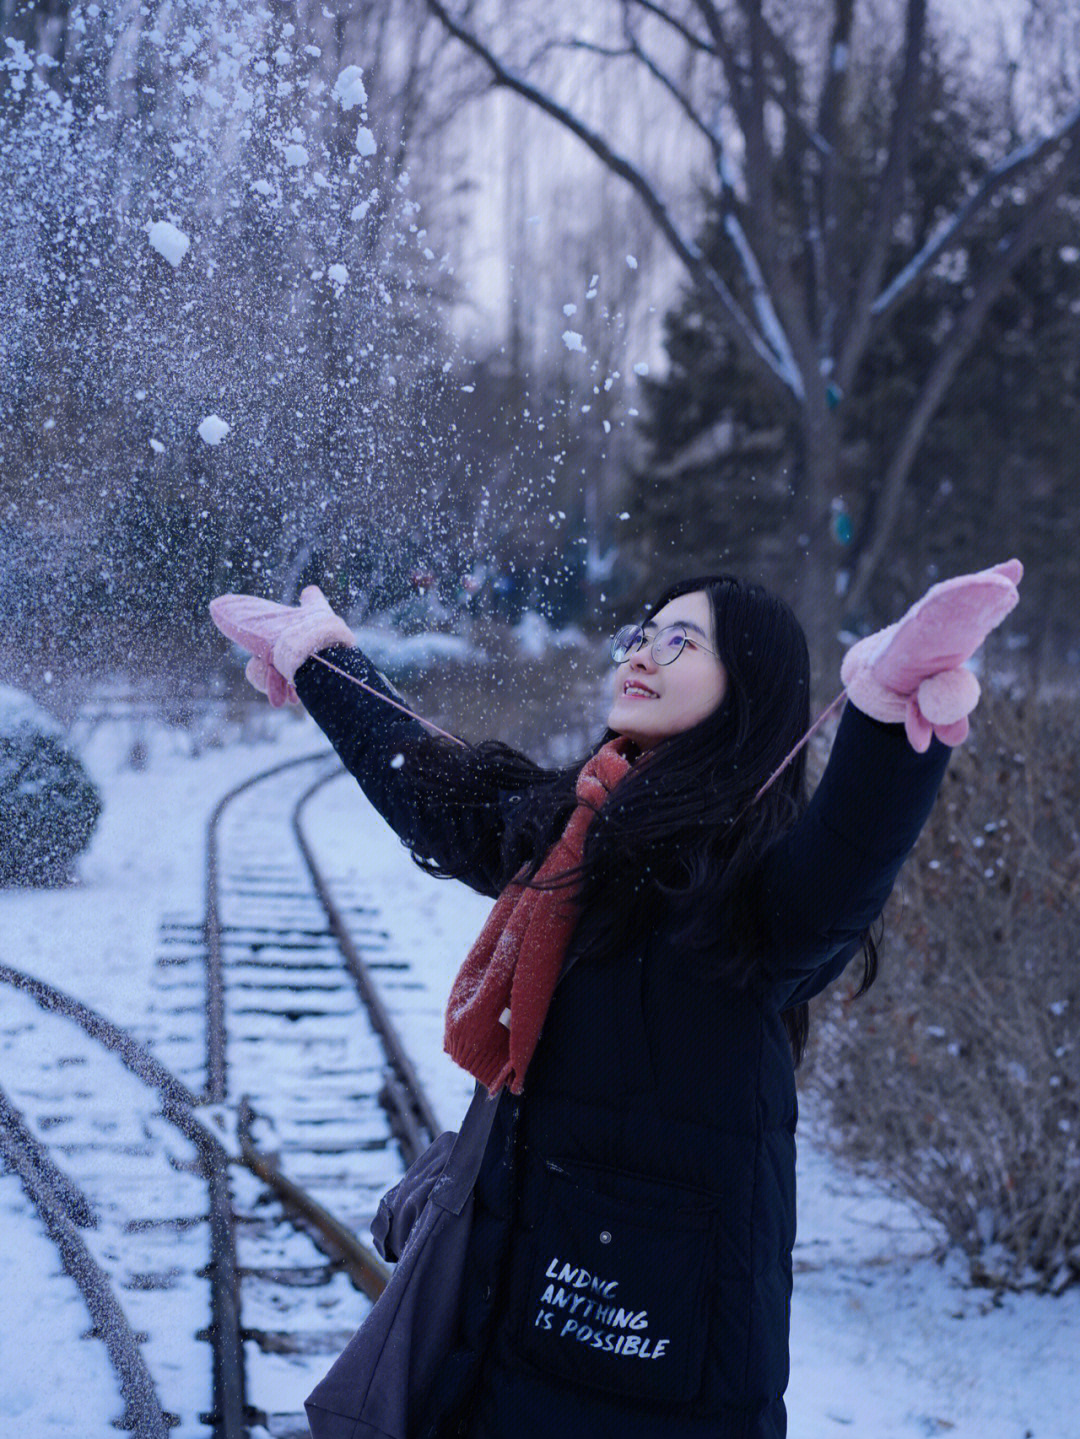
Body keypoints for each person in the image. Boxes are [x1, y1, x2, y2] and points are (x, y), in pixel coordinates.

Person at [209, 561, 1021, 1438]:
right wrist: (323, 663)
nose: (642, 653)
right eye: (641, 634)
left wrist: (886, 714)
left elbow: (849, 862)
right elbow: (432, 788)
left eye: (684, 640)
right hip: (509, 1339)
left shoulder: (757, 894)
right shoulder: (576, 831)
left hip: (663, 1383)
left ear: (749, 685)